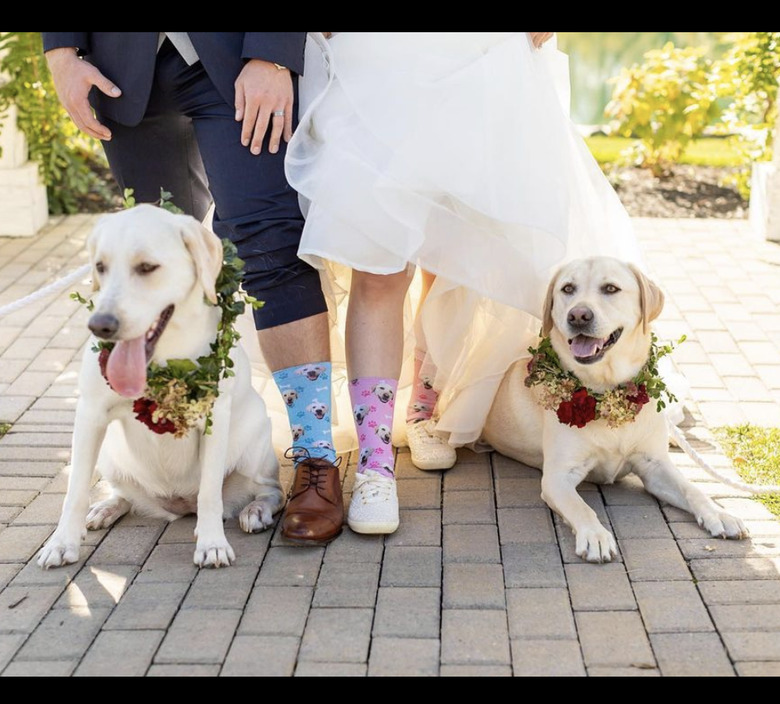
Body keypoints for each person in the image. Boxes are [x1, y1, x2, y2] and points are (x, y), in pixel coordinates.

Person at [285, 32, 645, 535]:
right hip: (379, 53)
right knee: (378, 258)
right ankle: (374, 461)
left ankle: (424, 409)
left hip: (481, 52)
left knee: (452, 249)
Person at [41, 32, 345, 545]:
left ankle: (316, 459)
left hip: (237, 51)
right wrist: (61, 54)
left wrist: (273, 50)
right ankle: (169, 468)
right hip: (120, 64)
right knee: (153, 262)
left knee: (269, 244)